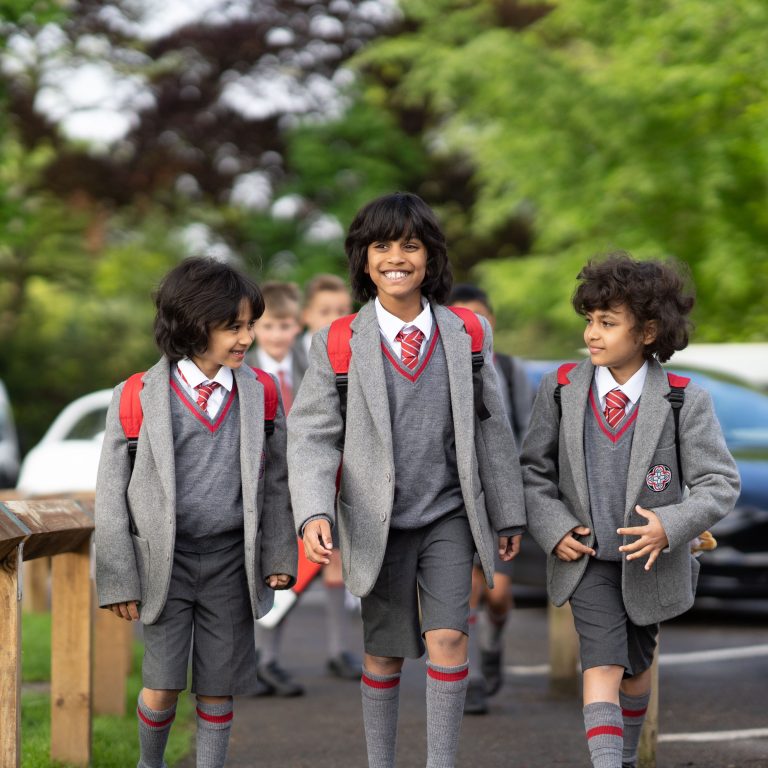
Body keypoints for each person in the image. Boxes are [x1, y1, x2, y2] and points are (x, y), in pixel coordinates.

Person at [287, 192, 526, 768]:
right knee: (385, 656)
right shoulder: (338, 340)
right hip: (377, 520)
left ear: (430, 257)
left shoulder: (467, 334)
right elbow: (313, 435)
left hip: (449, 514)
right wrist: (314, 511)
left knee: (449, 638)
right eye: (382, 246)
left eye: (411, 246)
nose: (397, 257)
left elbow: (491, 428)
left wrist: (509, 510)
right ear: (364, 260)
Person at [520, 252, 740, 768]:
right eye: (589, 322)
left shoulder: (685, 400)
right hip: (587, 558)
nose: (592, 334)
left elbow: (719, 482)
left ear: (647, 331)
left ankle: (621, 757)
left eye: (607, 323)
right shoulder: (559, 390)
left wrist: (672, 524)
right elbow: (532, 473)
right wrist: (553, 527)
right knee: (602, 662)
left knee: (637, 669)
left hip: (652, 565)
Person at [95, 256, 297, 768]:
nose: (246, 338)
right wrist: (119, 578)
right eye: (233, 326)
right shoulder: (136, 397)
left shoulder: (261, 394)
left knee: (218, 687)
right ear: (191, 323)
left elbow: (275, 483)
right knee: (161, 686)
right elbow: (112, 495)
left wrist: (278, 552)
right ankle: (151, 762)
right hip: (167, 564)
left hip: (231, 560)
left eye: (250, 325)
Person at [448, 283, 534, 714]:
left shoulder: (510, 370)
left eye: (477, 317)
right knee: (466, 588)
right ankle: (473, 676)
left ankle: (494, 643)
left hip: (499, 498)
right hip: (456, 498)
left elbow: (523, 435)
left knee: (497, 594)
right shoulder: (440, 366)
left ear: (491, 322)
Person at [297, 273, 362, 680]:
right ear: (306, 316)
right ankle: (262, 656)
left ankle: (339, 650)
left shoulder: (354, 354)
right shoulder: (289, 356)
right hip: (295, 471)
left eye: (341, 311)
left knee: (335, 560)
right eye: (325, 312)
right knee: (286, 566)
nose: (334, 318)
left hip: (342, 470)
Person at [248, 281, 306, 697]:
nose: (276, 334)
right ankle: (252, 661)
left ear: (297, 327)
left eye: (284, 325)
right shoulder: (240, 366)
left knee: (288, 575)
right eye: (267, 326)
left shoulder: (309, 368)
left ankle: (268, 659)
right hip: (257, 486)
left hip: (301, 484)